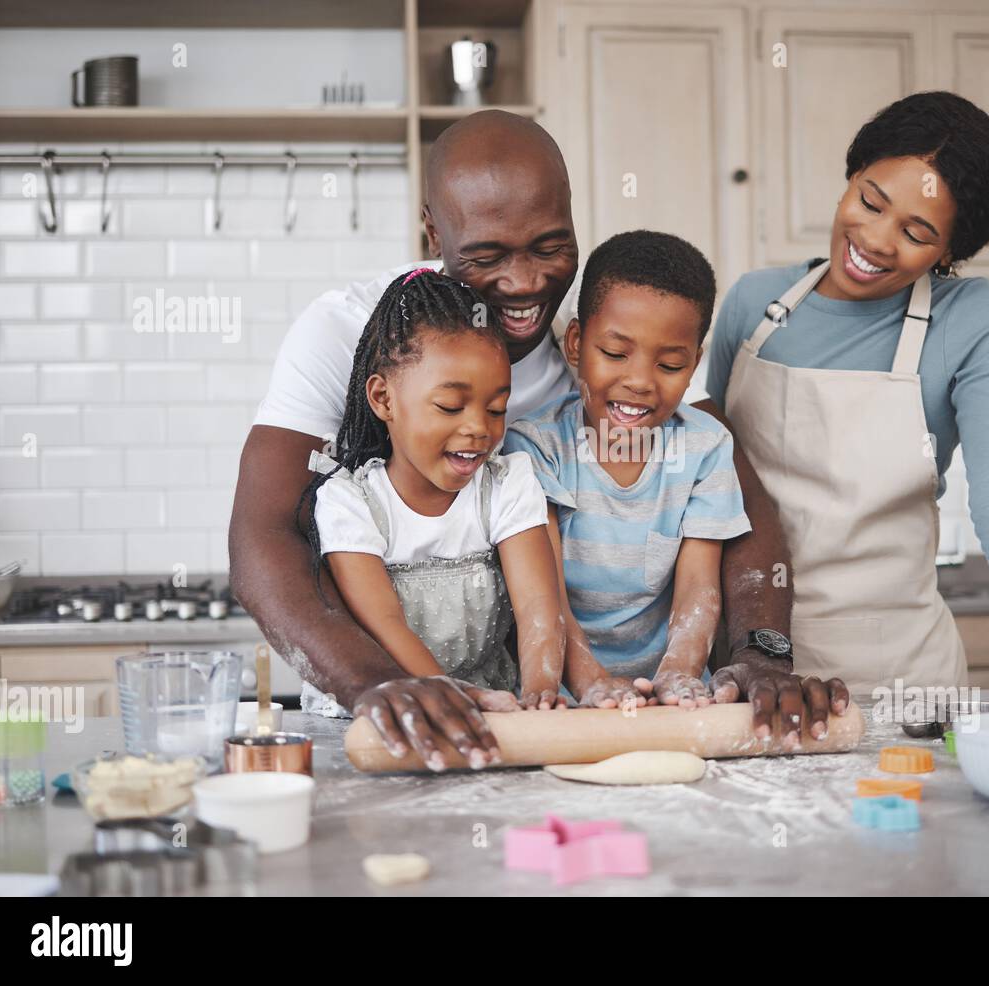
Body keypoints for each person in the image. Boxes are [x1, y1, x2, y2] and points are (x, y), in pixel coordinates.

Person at [230, 110, 847, 770]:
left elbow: (739, 506)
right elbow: (263, 535)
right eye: (488, 256)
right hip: (393, 711)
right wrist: (377, 684)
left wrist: (760, 652)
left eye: (550, 247)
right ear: (434, 230)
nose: (525, 284)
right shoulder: (354, 333)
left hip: (523, 716)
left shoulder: (610, 337)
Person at [706, 91, 989, 703]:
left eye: (917, 232)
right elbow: (707, 479)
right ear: (852, 177)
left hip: (899, 680)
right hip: (750, 671)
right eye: (870, 201)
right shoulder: (752, 304)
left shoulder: (972, 320)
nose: (875, 239)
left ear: (951, 252)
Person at [298, 271, 567, 763]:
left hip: (494, 713)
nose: (477, 429)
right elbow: (384, 622)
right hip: (385, 720)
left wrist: (542, 692)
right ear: (383, 399)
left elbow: (538, 610)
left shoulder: (507, 486)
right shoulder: (350, 502)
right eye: (449, 405)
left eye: (496, 409)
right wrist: (445, 695)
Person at [505, 231, 750, 710]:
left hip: (669, 699)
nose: (639, 381)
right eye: (615, 354)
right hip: (561, 694)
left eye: (670, 364)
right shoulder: (537, 447)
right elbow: (544, 590)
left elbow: (698, 589)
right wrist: (588, 679)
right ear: (576, 344)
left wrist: (679, 672)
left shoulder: (705, 447)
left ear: (694, 363)